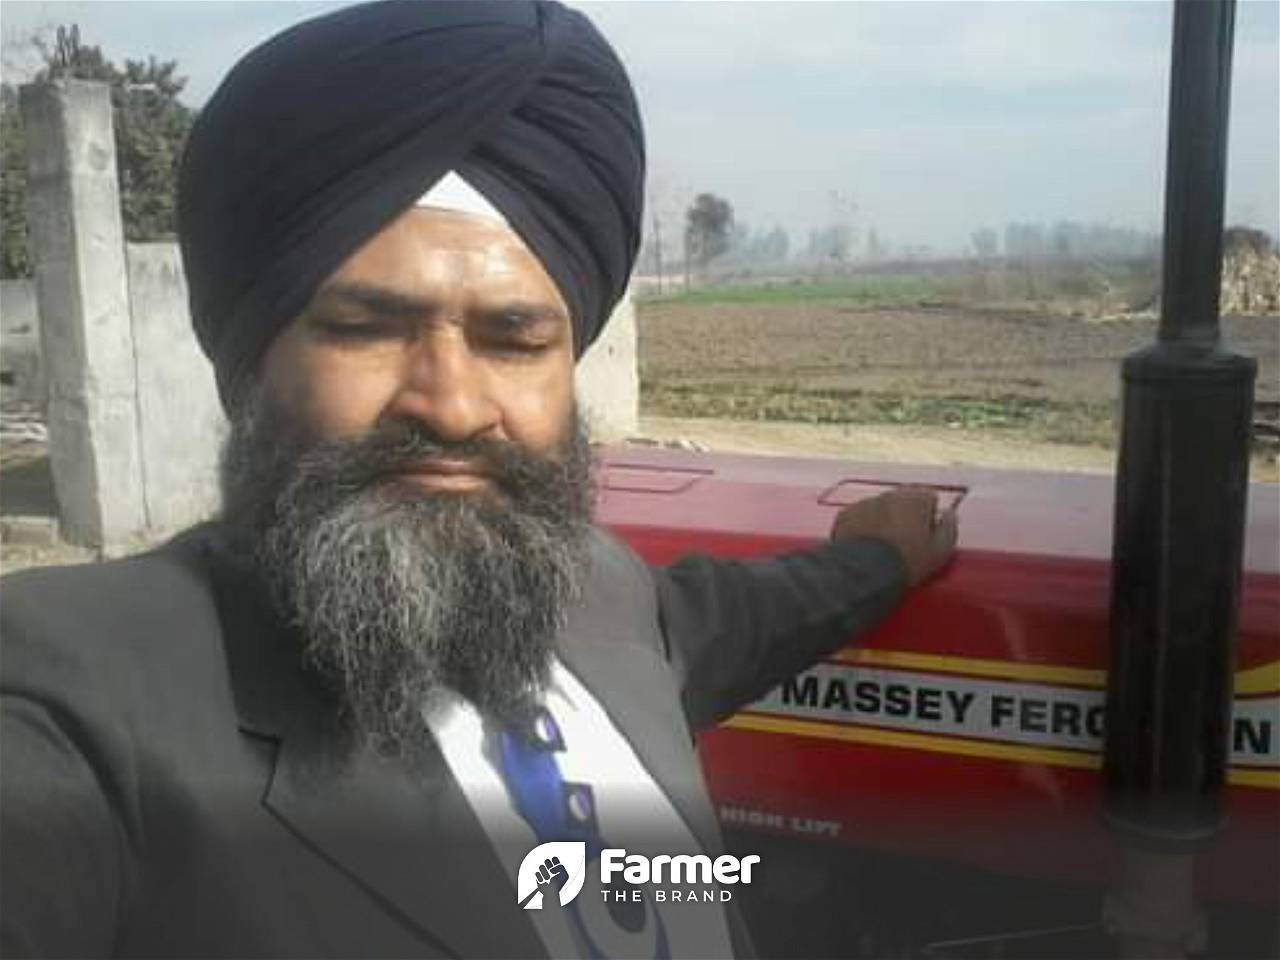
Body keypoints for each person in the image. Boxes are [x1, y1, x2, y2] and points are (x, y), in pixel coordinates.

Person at [0, 2, 957, 957]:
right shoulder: (74, 697)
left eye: (516, 339)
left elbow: (729, 619)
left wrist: (877, 559)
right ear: (252, 359)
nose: (453, 405)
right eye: (366, 328)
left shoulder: (598, 592)